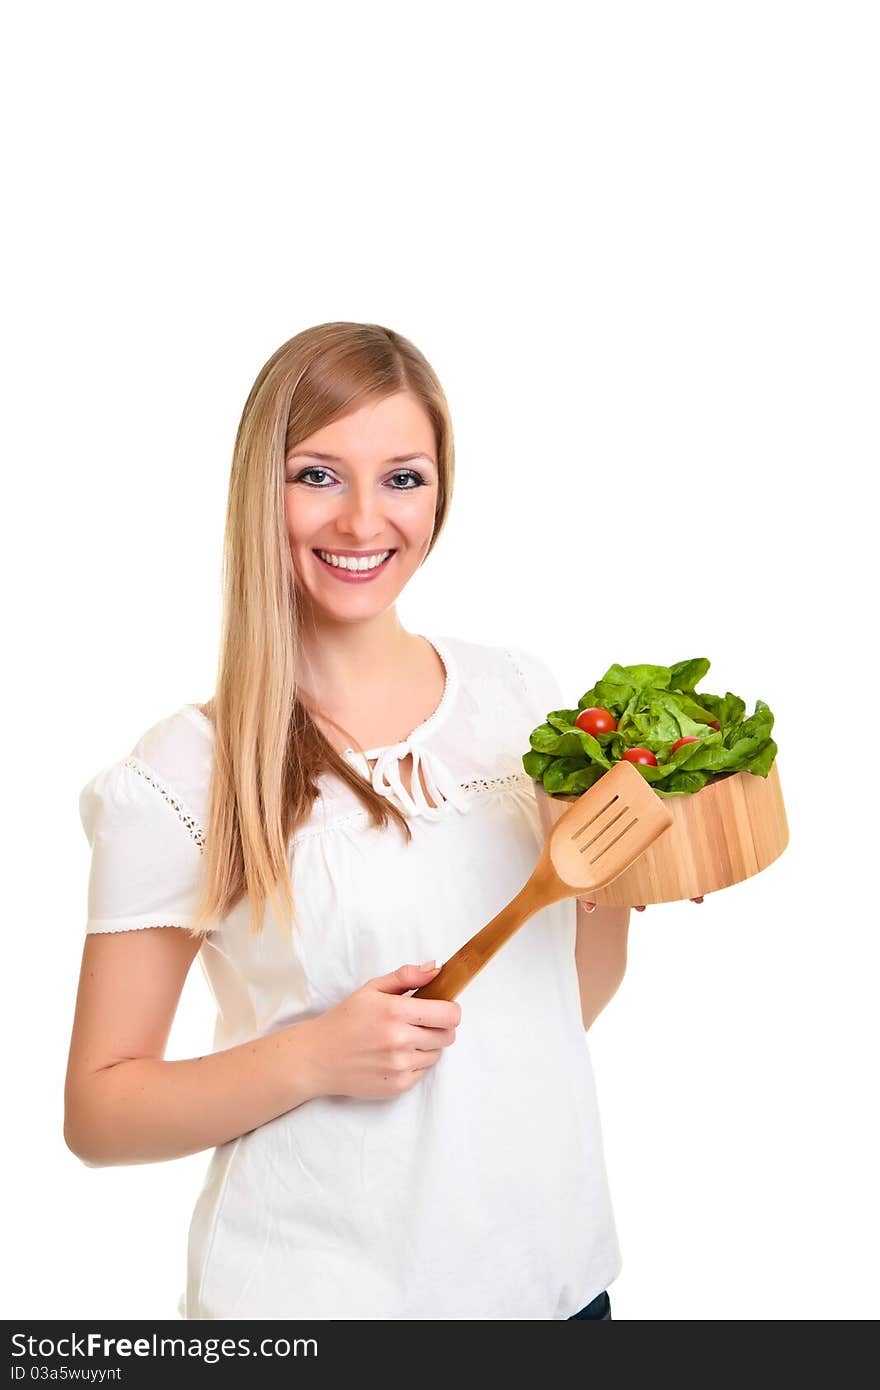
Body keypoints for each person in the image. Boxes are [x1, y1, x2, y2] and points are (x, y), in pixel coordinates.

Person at [64, 321, 699, 1321]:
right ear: (256, 489)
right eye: (318, 475)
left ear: (441, 490)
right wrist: (314, 1055)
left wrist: (615, 888)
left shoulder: (517, 696)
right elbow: (100, 1112)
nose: (364, 521)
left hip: (559, 1291)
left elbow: (551, 1013)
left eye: (402, 477)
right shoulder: (183, 771)